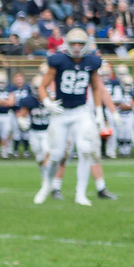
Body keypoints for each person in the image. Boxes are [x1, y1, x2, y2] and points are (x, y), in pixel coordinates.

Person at [35, 28, 116, 205]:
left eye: (81, 44)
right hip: (61, 112)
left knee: (86, 149)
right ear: (68, 45)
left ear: (86, 45)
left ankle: (81, 193)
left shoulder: (92, 62)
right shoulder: (58, 61)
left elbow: (96, 87)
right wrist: (47, 102)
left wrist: (99, 112)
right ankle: (46, 185)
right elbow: (42, 86)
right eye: (74, 44)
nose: (77, 47)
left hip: (81, 111)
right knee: (56, 155)